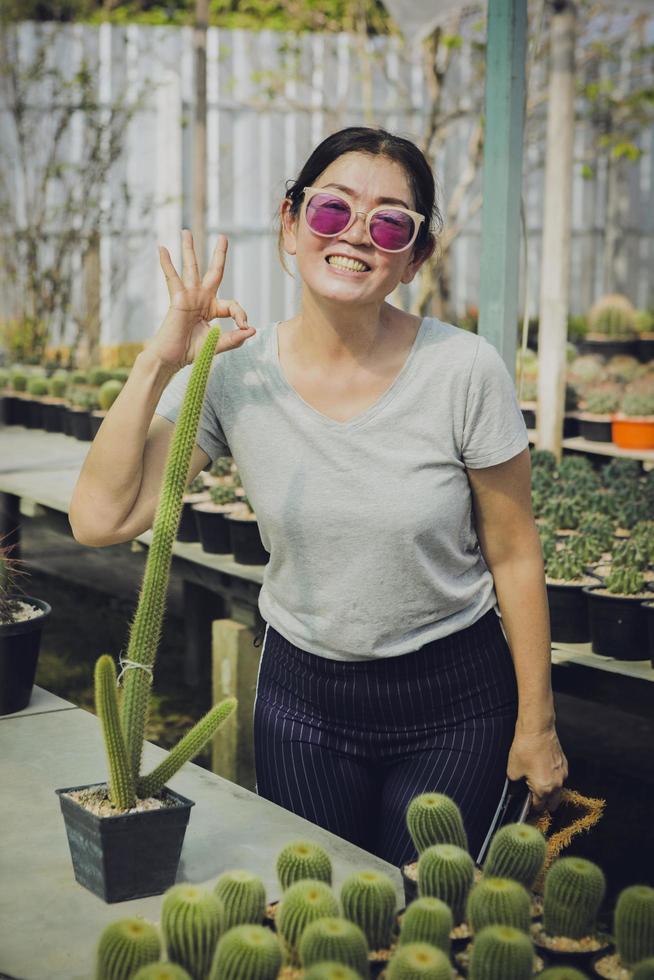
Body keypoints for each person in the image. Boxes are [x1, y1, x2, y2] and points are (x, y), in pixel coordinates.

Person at [69, 126, 567, 868]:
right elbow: (100, 520)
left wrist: (539, 724)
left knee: (425, 918)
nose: (358, 235)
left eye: (391, 222)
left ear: (414, 256)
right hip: (303, 702)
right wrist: (160, 360)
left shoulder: (464, 370)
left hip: (456, 703)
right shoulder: (236, 374)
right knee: (316, 916)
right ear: (291, 223)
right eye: (334, 210)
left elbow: (515, 551)